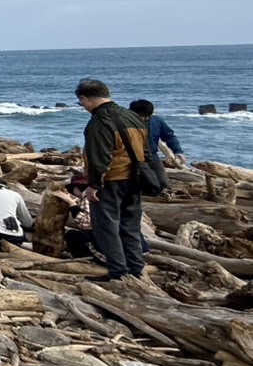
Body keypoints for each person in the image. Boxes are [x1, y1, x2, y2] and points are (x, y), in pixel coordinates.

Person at [76, 79, 150, 282]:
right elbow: (146, 150)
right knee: (131, 227)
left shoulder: (99, 122)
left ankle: (118, 272)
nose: (82, 106)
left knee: (107, 229)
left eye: (81, 102)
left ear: (85, 98)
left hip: (111, 181)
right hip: (134, 179)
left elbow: (99, 157)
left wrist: (93, 186)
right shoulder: (132, 116)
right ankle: (136, 269)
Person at [128, 99, 185, 195]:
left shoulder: (156, 121)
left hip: (153, 157)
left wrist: (178, 151)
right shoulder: (126, 123)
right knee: (151, 184)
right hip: (135, 159)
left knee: (163, 183)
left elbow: (169, 136)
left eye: (148, 116)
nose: (145, 119)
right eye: (142, 116)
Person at [62, 174, 102, 260]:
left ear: (76, 187)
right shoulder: (101, 196)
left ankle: (83, 259)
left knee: (71, 235)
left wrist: (72, 205)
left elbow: (87, 224)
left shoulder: (86, 198)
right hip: (114, 250)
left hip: (101, 252)